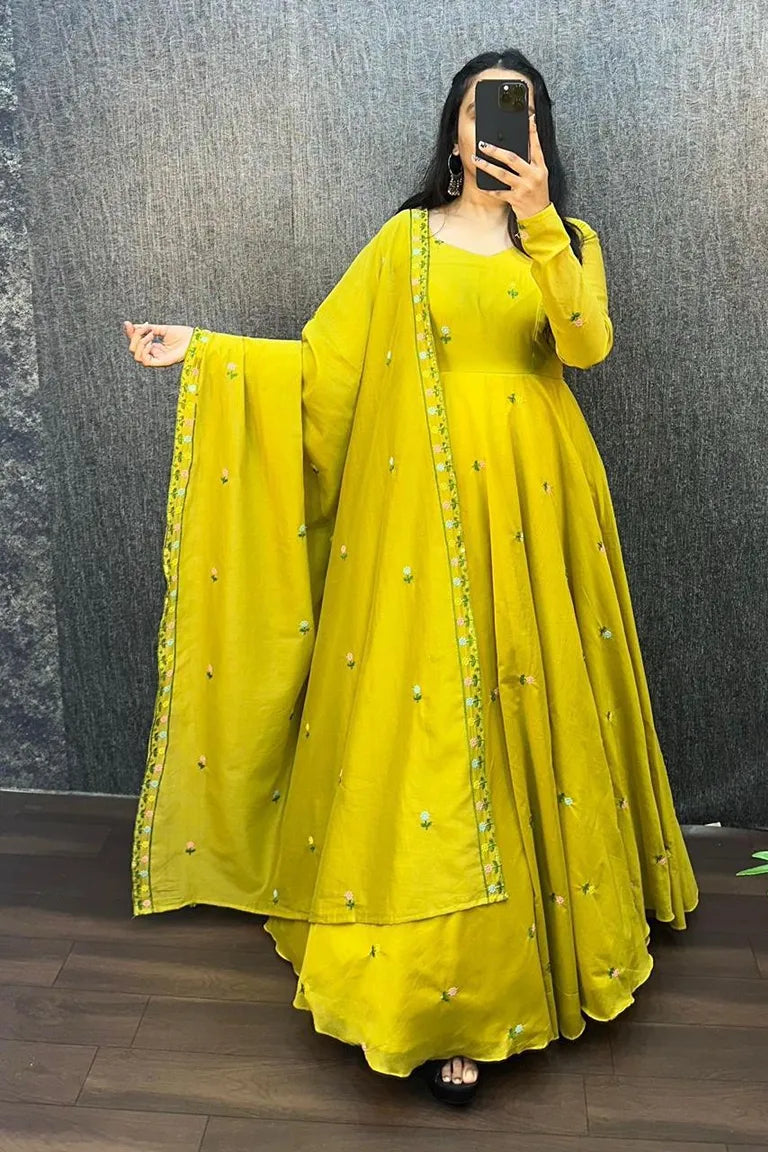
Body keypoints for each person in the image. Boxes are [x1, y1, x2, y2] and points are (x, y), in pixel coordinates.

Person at [124, 48, 699, 1106]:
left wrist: (539, 223)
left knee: (538, 699)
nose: (498, 129)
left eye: (519, 112)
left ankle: (562, 934)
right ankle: (444, 998)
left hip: (539, 505)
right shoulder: (404, 244)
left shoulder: (567, 241)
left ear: (537, 133)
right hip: (422, 522)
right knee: (438, 723)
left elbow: (586, 346)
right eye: (482, 111)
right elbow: (326, 368)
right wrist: (204, 353)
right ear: (454, 131)